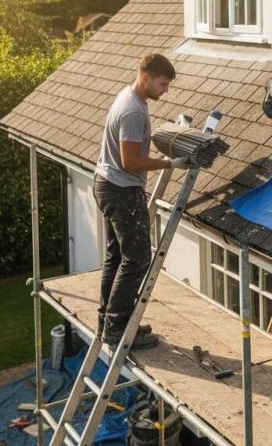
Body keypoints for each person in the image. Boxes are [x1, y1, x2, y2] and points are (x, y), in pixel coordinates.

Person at [93, 52, 190, 349]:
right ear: (146, 77)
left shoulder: (129, 98)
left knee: (116, 257)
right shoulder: (134, 111)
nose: (165, 90)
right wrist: (170, 164)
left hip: (107, 184)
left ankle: (107, 322)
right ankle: (118, 330)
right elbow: (130, 160)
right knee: (136, 260)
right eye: (162, 84)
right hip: (121, 190)